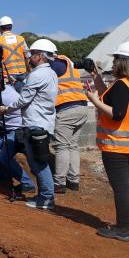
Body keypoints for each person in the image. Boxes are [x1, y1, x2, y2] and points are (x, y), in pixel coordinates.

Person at [85, 41, 129, 241]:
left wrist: (94, 101)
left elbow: (117, 113)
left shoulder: (121, 85)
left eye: (117, 58)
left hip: (116, 145)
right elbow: (109, 98)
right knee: (127, 187)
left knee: (121, 188)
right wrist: (96, 76)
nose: (114, 62)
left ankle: (123, 229)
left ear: (124, 62)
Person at [0, 39, 58, 210]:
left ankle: (46, 198)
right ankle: (45, 196)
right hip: (43, 123)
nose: (29, 57)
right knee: (39, 162)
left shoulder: (37, 75)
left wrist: (7, 108)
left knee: (39, 164)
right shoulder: (51, 73)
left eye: (32, 54)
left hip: (35, 124)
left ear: (40, 56)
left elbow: (24, 99)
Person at [0, 73, 35, 196]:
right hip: (11, 129)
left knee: (4, 157)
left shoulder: (0, 98)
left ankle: (28, 183)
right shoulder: (8, 88)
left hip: (16, 131)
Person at [50, 49, 89, 193]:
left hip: (67, 108)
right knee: (72, 145)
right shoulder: (68, 63)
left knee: (62, 146)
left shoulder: (55, 64)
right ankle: (73, 180)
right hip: (82, 107)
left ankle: (59, 183)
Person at [0, 16, 30, 90]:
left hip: (8, 75)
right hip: (23, 73)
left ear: (0, 28)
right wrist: (29, 71)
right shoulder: (20, 39)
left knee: (11, 95)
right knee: (23, 94)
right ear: (11, 27)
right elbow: (28, 56)